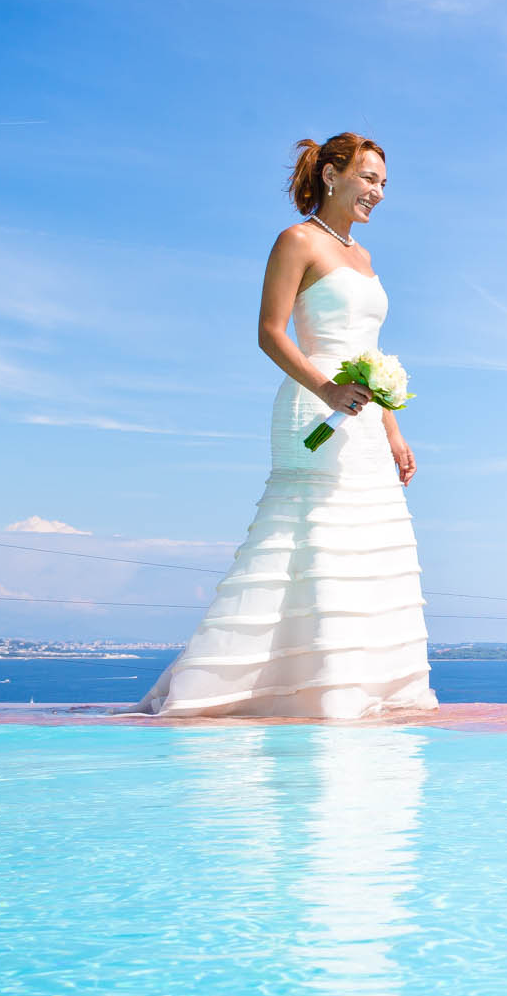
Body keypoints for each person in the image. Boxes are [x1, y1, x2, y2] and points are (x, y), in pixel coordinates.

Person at [139, 133, 438, 718]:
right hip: (314, 404)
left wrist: (393, 429)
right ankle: (257, 688)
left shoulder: (366, 259)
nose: (377, 192)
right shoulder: (297, 240)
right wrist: (326, 388)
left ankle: (354, 689)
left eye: (384, 183)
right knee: (312, 537)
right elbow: (270, 332)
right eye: (368, 178)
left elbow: (373, 351)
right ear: (331, 174)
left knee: (367, 545)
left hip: (366, 414)